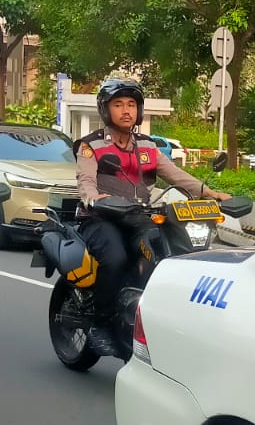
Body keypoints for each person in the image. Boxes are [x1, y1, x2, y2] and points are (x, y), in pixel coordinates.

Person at [76, 77, 228, 357]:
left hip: (138, 217)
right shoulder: (91, 145)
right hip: (101, 218)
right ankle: (101, 324)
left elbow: (175, 175)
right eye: (118, 104)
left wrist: (210, 192)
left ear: (139, 110)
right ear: (105, 109)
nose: (126, 110)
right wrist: (94, 198)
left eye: (131, 104)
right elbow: (85, 180)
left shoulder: (147, 146)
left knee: (165, 253)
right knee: (116, 258)